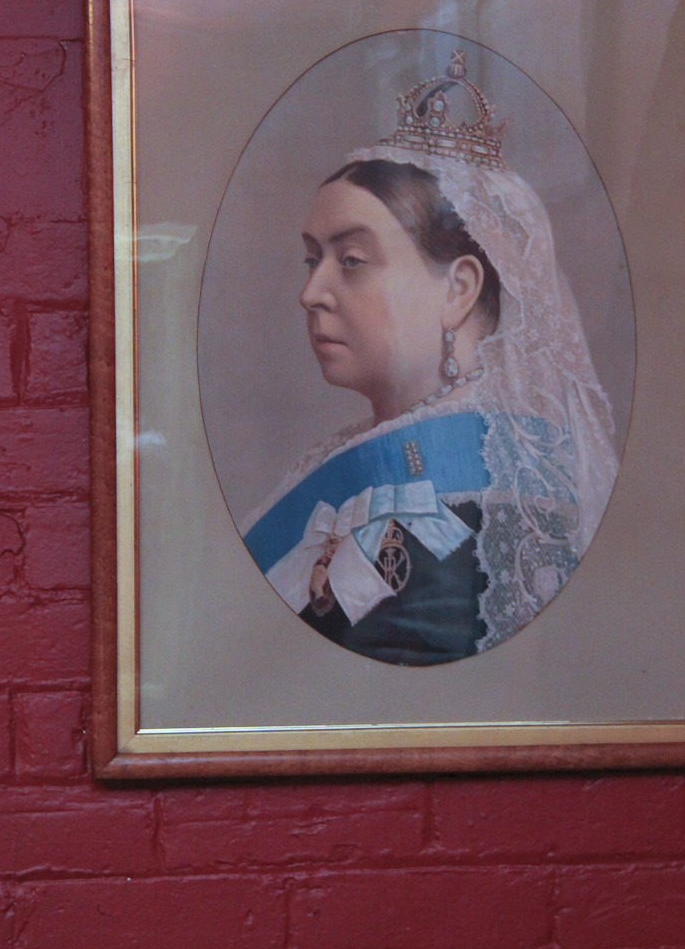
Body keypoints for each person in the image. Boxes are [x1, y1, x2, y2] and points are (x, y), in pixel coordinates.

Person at [240, 50, 618, 666]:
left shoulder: (478, 520)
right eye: (314, 260)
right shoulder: (365, 465)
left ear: (459, 289)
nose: (310, 293)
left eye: (352, 261)